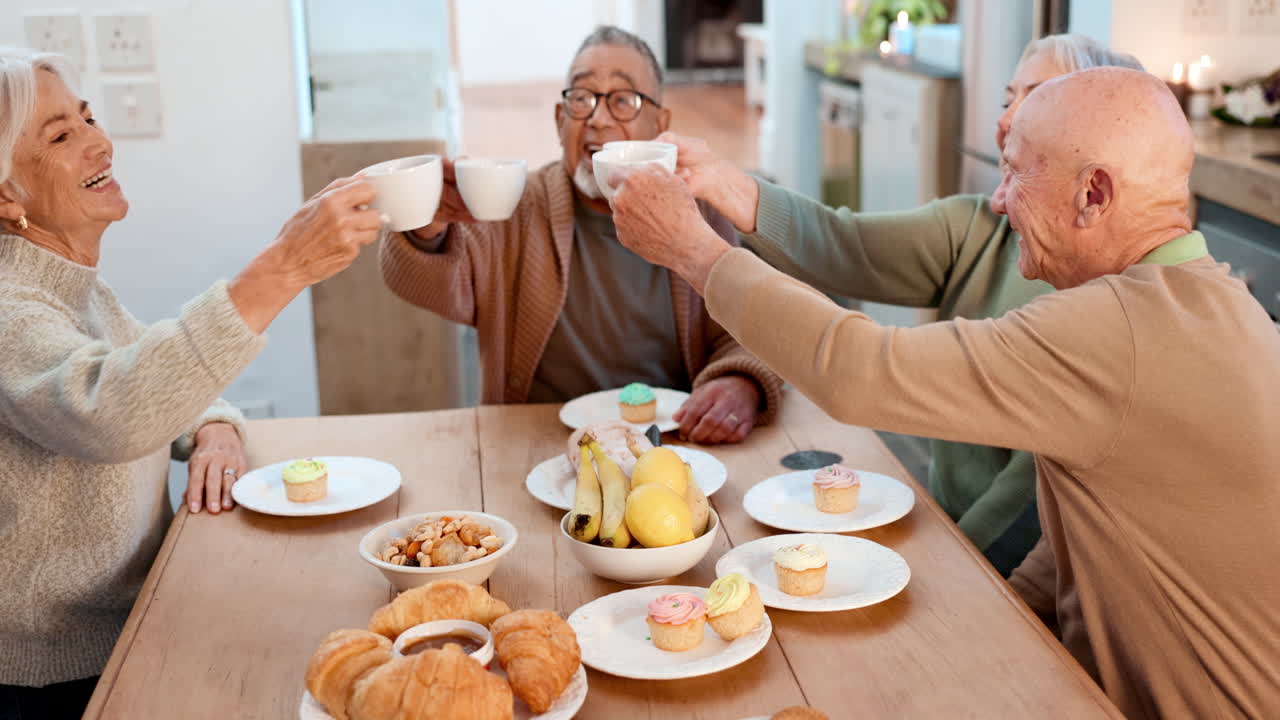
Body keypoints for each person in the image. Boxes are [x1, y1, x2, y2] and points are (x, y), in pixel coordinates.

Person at [610, 67, 1280, 718]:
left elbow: (861, 370)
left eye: (1017, 171)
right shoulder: (1215, 301)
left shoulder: (1120, 331)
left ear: (1093, 195)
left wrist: (693, 251)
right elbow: (1091, 524)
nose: (1001, 197)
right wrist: (994, 625)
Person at [653, 34, 1142, 574]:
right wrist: (720, 179)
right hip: (945, 530)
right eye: (1009, 99)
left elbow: (1028, 499)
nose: (1007, 122)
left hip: (993, 565)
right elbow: (845, 245)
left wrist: (949, 568)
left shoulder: (1094, 298)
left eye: (1040, 98)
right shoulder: (980, 228)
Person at [0, 48, 381, 717]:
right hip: (55, 680)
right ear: (7, 194)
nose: (99, 141)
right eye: (61, 134)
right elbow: (113, 409)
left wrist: (215, 429)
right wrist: (283, 267)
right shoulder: (12, 309)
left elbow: (154, 370)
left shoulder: (79, 291)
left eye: (88, 118)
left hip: (138, 618)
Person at [380, 26, 783, 444]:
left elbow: (752, 329)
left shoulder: (698, 211)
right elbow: (430, 283)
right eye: (581, 99)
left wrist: (741, 382)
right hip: (536, 447)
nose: (598, 117)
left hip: (674, 447)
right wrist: (428, 226)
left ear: (660, 124)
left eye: (623, 101)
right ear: (560, 121)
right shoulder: (518, 205)